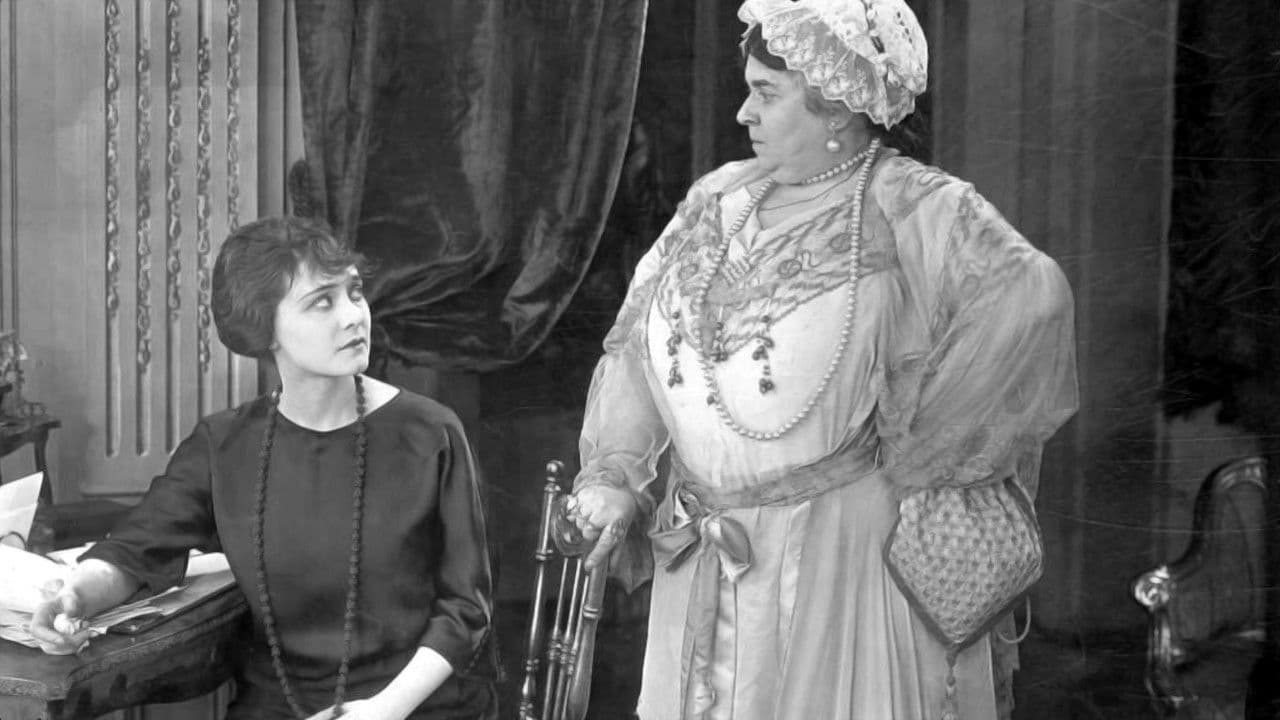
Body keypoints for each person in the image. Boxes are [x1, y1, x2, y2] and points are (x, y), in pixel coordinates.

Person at [560, 1, 1079, 718]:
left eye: (766, 93)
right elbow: (634, 351)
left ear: (835, 105)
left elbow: (1030, 297)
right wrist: (616, 477)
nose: (743, 112)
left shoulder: (910, 203)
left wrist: (925, 445)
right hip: (704, 559)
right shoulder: (717, 199)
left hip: (836, 568)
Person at [28, 217, 497, 720]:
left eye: (354, 292)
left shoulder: (431, 432)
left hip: (414, 705)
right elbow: (135, 549)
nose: (353, 316)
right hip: (279, 706)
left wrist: (383, 710)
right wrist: (75, 597)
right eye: (322, 302)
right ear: (263, 327)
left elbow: (465, 609)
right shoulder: (225, 445)